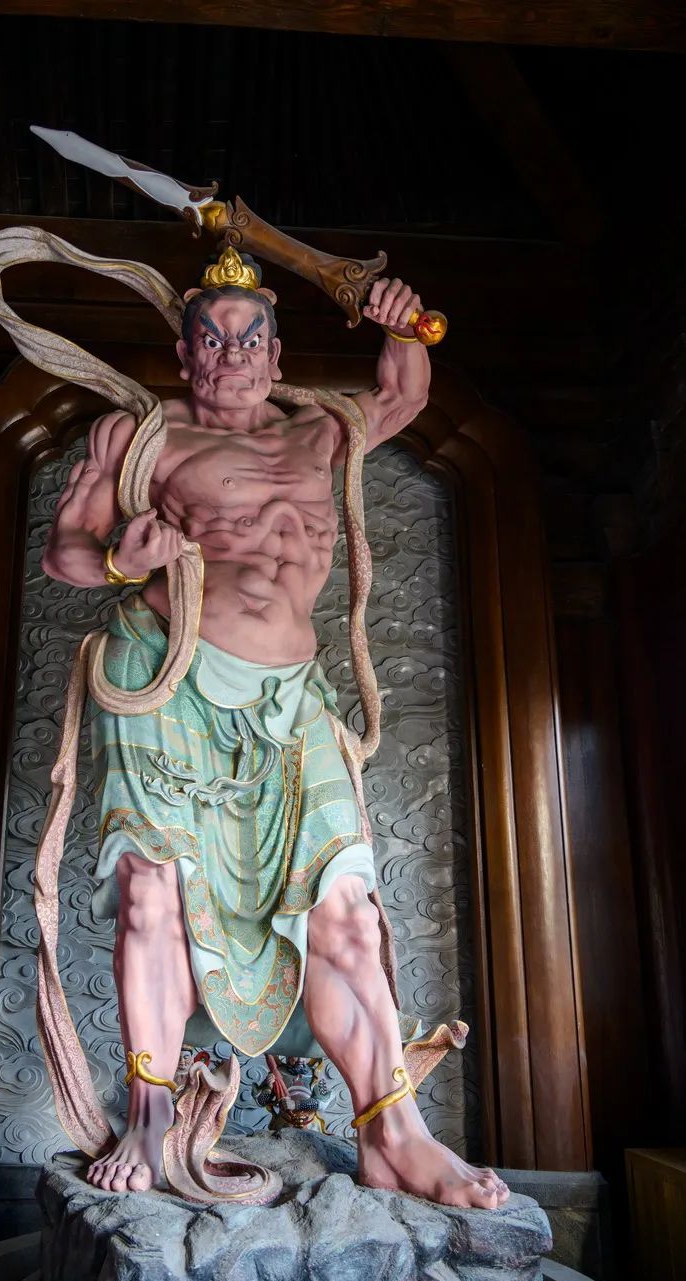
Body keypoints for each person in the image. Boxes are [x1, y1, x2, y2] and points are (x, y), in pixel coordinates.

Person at [42, 252, 508, 1209]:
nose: (233, 355)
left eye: (250, 338)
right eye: (212, 339)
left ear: (277, 352)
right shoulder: (140, 433)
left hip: (293, 697)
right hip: (167, 679)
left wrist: (399, 319)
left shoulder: (321, 430)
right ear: (185, 352)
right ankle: (149, 1115)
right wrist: (126, 562)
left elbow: (406, 391)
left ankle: (393, 1134)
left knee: (344, 909)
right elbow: (65, 552)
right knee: (152, 897)